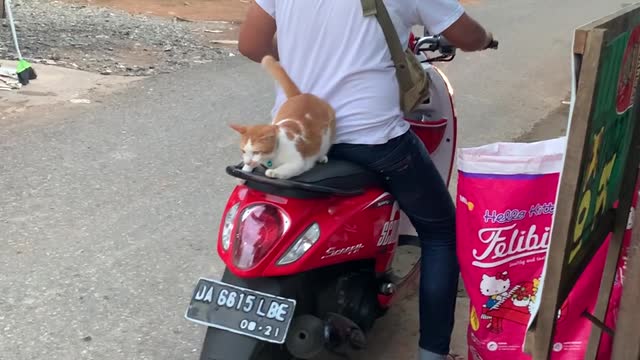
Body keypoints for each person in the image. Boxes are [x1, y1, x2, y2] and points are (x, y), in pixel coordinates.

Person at [238, 1, 494, 359]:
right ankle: (432, 353)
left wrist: (300, 59)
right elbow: (467, 35)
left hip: (295, 140)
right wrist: (486, 39)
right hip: (373, 139)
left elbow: (251, 44)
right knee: (441, 233)